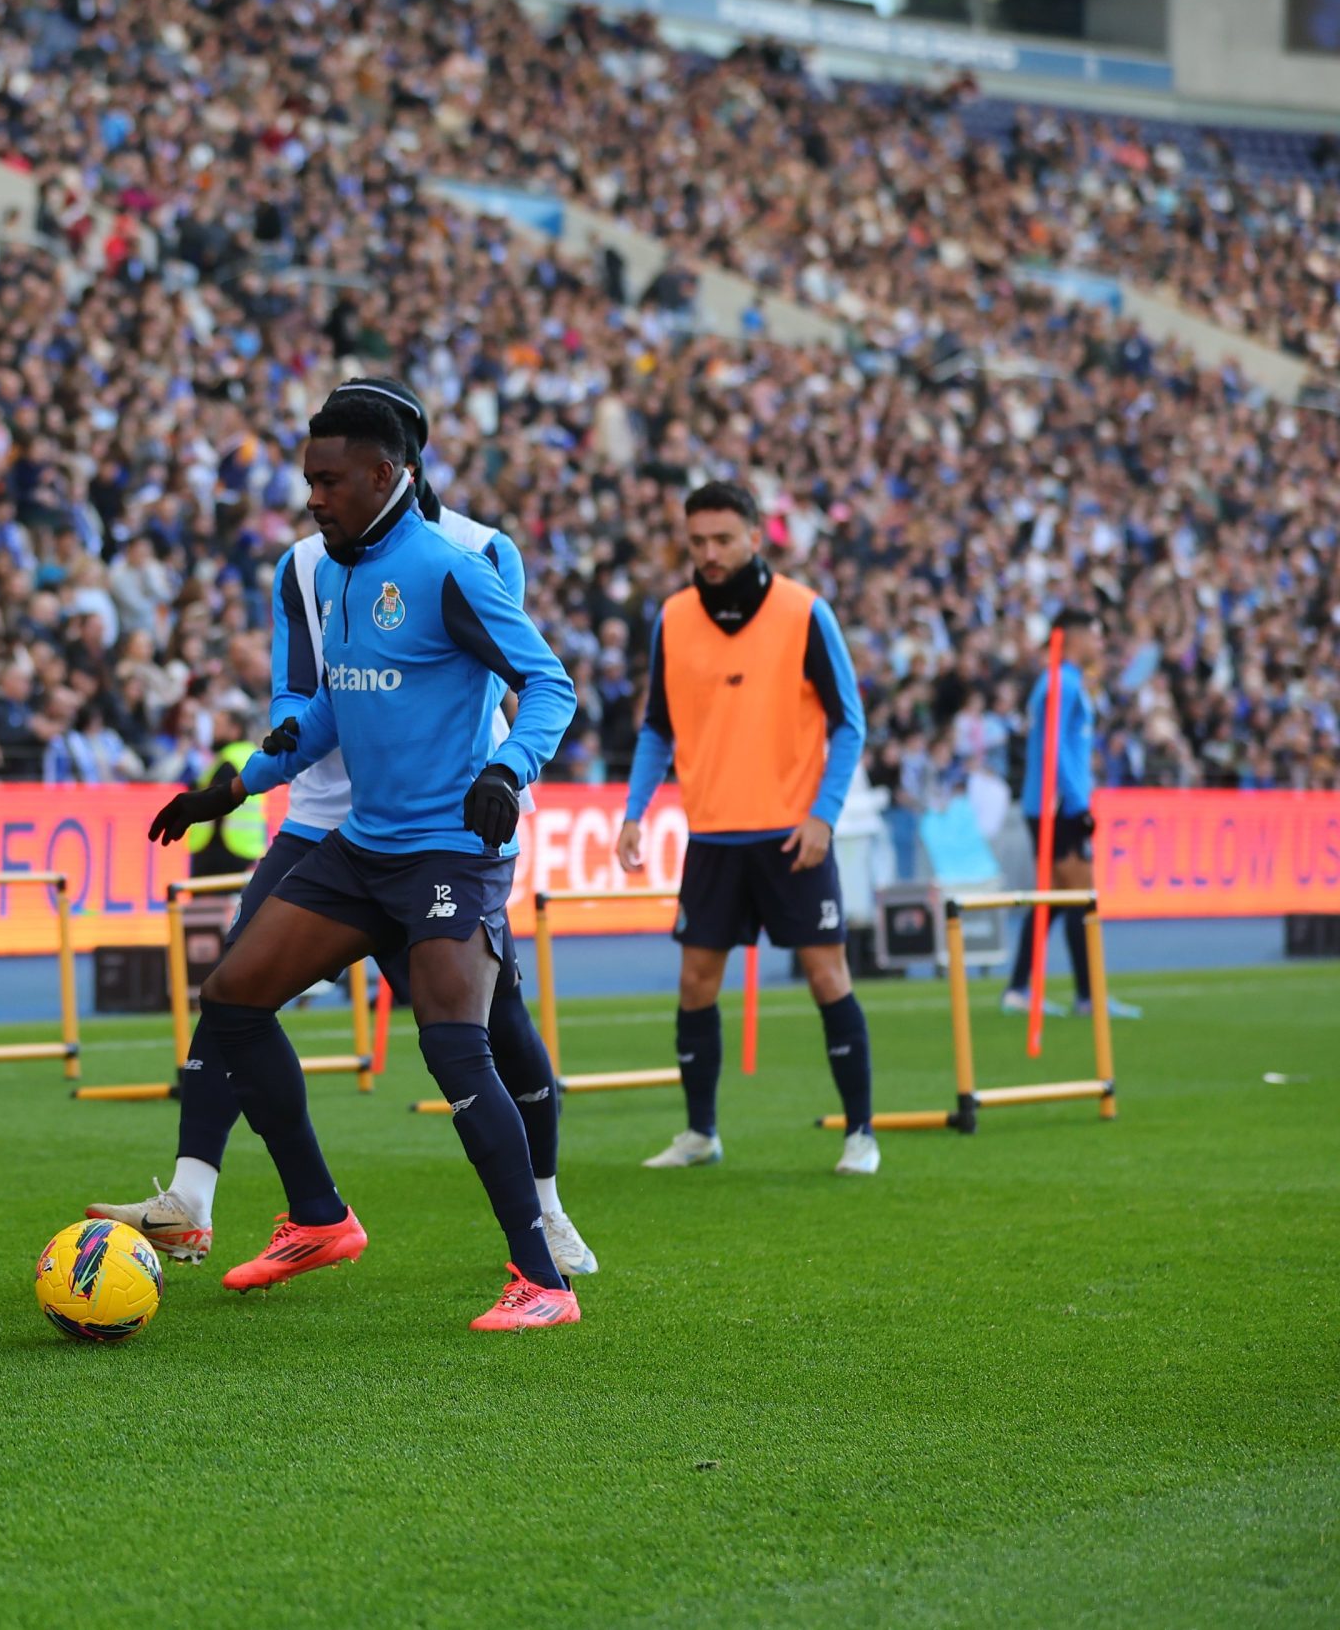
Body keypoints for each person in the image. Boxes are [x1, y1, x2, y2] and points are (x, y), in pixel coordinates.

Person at [91, 377, 595, 1278]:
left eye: (327, 479)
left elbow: (549, 682)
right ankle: (310, 1211)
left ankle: (543, 1257)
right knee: (234, 993)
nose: (311, 496)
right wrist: (238, 783)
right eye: (308, 478)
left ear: (386, 469)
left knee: (468, 1039)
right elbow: (323, 705)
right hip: (359, 840)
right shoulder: (332, 566)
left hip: (453, 840)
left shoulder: (460, 561)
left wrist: (507, 770)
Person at [614, 481, 877, 1176]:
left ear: (756, 536)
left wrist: (823, 813)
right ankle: (701, 1132)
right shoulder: (672, 618)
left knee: (827, 974)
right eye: (697, 541)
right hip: (713, 837)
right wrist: (634, 812)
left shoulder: (804, 612)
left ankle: (860, 1133)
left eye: (722, 539)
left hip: (794, 836)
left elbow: (850, 721)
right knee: (695, 982)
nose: (708, 552)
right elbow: (657, 727)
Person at [1003, 608, 1139, 1021]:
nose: (1100, 644)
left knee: (1057, 901)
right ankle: (1086, 996)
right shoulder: (1060, 683)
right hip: (1057, 807)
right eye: (1096, 636)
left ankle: (1020, 990)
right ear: (1076, 638)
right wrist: (1077, 803)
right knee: (1078, 898)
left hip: (1056, 803)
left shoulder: (1069, 683)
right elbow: (1052, 748)